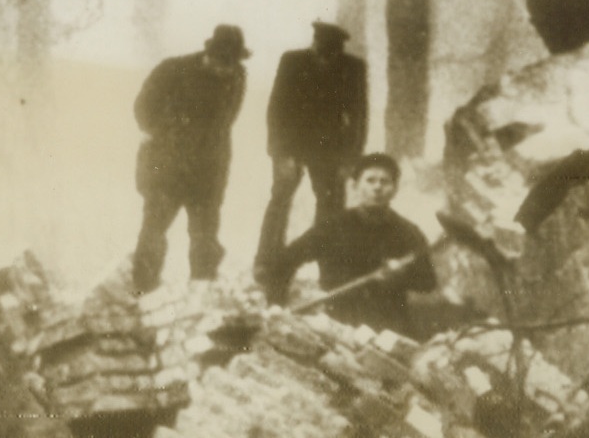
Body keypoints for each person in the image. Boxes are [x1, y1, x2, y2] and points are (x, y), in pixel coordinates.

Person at [131, 24, 249, 293]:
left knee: (205, 238)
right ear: (210, 54)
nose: (226, 70)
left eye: (231, 64)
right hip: (167, 168)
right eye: (222, 63)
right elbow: (142, 110)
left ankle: (201, 294)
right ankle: (143, 291)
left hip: (209, 171)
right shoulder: (172, 69)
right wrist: (170, 137)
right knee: (154, 231)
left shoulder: (238, 77)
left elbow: (225, 122)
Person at [266, 153, 437, 338]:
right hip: (340, 322)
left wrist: (400, 276)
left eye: (385, 181)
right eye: (370, 180)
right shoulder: (333, 227)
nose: (377, 187)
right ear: (355, 186)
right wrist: (276, 303)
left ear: (395, 189)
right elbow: (285, 261)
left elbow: (428, 282)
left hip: (389, 326)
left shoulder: (407, 232)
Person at [253, 20, 368, 280]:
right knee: (280, 200)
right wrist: (281, 154)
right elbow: (276, 109)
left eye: (331, 55)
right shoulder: (292, 61)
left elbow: (359, 116)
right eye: (320, 52)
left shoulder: (353, 67)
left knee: (331, 206)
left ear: (338, 51)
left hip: (331, 148)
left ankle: (330, 265)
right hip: (291, 145)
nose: (325, 59)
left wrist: (351, 159)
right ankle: (265, 262)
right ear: (314, 43)